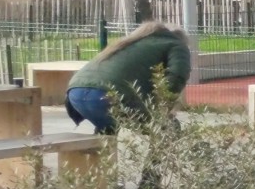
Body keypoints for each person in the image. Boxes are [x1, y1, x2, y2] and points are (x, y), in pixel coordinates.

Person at [64, 21, 192, 134]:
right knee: (168, 127)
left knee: (108, 129)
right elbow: (177, 76)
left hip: (75, 94)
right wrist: (163, 107)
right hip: (107, 95)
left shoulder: (130, 42)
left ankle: (100, 153)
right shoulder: (176, 45)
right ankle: (163, 156)